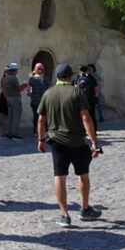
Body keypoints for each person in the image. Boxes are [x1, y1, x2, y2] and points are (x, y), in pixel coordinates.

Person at [37, 64, 101, 227]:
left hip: (57, 141)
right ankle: (85, 208)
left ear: (57, 77)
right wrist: (93, 141)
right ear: (71, 77)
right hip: (77, 141)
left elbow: (41, 119)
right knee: (83, 174)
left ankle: (64, 214)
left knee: (60, 176)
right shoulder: (76, 92)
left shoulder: (48, 93)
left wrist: (41, 140)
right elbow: (85, 117)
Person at [2, 63, 27, 138]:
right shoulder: (14, 78)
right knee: (16, 117)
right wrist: (24, 85)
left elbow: (4, 89)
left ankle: (8, 132)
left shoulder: (5, 78)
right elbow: (19, 89)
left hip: (9, 98)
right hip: (15, 98)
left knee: (10, 117)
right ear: (15, 70)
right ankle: (14, 134)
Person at [73, 65, 99, 136]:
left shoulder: (78, 78)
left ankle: (83, 130)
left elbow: (75, 89)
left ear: (80, 70)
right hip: (91, 99)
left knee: (81, 115)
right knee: (92, 115)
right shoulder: (91, 78)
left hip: (81, 99)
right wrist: (96, 99)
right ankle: (94, 131)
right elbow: (96, 90)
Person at [27, 63, 50, 137]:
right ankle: (44, 131)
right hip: (44, 101)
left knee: (36, 117)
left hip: (35, 100)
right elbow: (49, 89)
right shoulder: (46, 78)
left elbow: (28, 91)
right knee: (44, 116)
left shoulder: (32, 79)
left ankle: (35, 131)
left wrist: (31, 94)